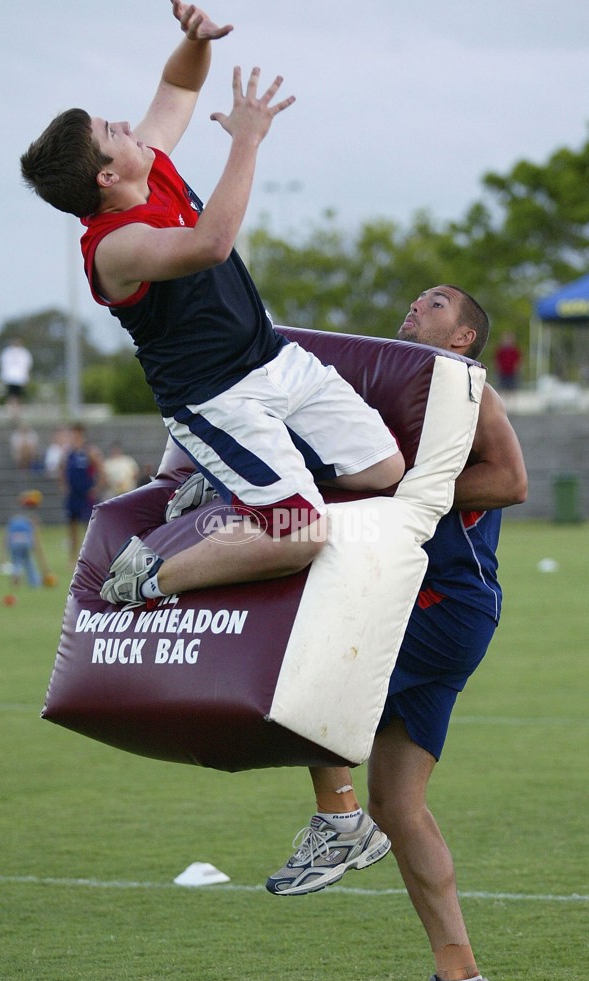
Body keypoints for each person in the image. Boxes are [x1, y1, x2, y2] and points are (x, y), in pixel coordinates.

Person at [20, 2, 404, 608]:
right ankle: (148, 575)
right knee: (300, 533)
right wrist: (247, 142)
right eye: (110, 132)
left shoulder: (146, 164)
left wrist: (195, 39)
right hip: (215, 399)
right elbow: (211, 244)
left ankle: (221, 482)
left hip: (273, 357)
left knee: (383, 473)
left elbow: (178, 83)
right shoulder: (114, 247)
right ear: (104, 178)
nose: (126, 125)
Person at [264, 286, 528, 981]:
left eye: (437, 304)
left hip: (444, 602)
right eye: (416, 301)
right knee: (401, 808)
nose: (418, 306)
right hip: (427, 605)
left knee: (309, 669)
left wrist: (401, 496)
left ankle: (337, 819)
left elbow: (511, 483)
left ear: (466, 337)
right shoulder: (389, 391)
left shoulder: (470, 393)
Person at [60, 423, 104, 561]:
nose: (74, 437)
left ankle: (89, 557)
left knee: (89, 527)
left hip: (86, 495)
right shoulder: (69, 453)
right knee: (72, 526)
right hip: (73, 495)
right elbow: (61, 469)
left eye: (76, 434)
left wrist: (96, 488)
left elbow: (102, 470)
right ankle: (72, 558)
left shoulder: (89, 451)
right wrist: (64, 486)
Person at [0, 490, 51, 588]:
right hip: (26, 540)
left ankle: (16, 575)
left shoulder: (14, 517)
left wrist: (2, 555)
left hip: (14, 541)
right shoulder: (32, 519)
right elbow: (37, 543)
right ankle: (34, 582)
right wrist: (45, 568)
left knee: (16, 561)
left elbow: (6, 536)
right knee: (29, 562)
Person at [0, 337, 33, 420]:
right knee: (11, 396)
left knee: (19, 397)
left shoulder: (24, 352)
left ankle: (17, 414)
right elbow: (4, 365)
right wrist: (3, 378)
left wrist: (27, 378)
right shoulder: (7, 352)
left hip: (20, 378)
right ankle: (11, 413)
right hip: (10, 377)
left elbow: (27, 366)